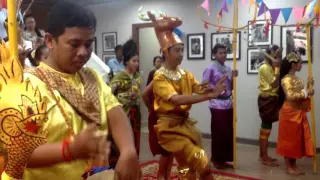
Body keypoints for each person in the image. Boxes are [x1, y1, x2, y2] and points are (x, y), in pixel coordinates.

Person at [18, 1, 139, 179]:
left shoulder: (92, 77)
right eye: (74, 44)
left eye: (88, 44)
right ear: (50, 41)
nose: (83, 52)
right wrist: (69, 150)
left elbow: (115, 111)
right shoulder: (27, 84)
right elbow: (17, 152)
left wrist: (128, 150)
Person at [141, 11, 226, 179]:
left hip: (185, 125)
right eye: (177, 50)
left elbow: (197, 88)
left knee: (185, 167)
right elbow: (177, 99)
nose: (181, 54)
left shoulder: (184, 73)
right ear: (165, 52)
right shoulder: (160, 76)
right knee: (202, 163)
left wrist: (209, 89)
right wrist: (209, 96)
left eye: (182, 50)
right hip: (169, 128)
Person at [276, 52, 314, 176]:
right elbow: (291, 96)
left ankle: (294, 164)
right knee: (289, 140)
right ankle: (288, 166)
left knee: (297, 140)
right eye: (300, 63)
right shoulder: (286, 79)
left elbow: (303, 95)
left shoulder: (298, 79)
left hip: (297, 111)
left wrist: (309, 87)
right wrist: (306, 92)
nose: (301, 65)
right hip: (289, 112)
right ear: (293, 64)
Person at [202, 43, 238, 169]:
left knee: (228, 132)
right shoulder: (210, 68)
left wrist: (233, 78)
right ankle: (216, 159)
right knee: (219, 133)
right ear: (214, 54)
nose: (223, 55)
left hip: (228, 103)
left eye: (224, 52)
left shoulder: (228, 68)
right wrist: (215, 88)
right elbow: (204, 87)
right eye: (220, 53)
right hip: (217, 104)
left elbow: (231, 88)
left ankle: (224, 159)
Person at [109, 39, 142, 157]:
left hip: (135, 112)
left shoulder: (137, 76)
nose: (136, 63)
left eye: (138, 61)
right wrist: (125, 97)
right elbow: (109, 94)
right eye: (134, 61)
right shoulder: (119, 76)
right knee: (123, 140)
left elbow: (138, 92)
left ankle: (134, 159)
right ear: (127, 61)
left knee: (135, 137)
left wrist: (136, 96)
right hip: (123, 112)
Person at [143, 56, 173, 180]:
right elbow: (145, 94)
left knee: (172, 149)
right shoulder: (158, 75)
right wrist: (151, 108)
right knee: (165, 149)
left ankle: (167, 175)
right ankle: (160, 175)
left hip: (173, 116)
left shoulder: (176, 74)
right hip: (160, 115)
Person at [257, 44, 282, 166]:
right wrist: (277, 68)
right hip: (267, 99)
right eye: (276, 54)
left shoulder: (269, 66)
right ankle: (264, 156)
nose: (278, 57)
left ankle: (263, 155)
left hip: (271, 99)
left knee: (267, 128)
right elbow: (274, 84)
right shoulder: (265, 67)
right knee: (265, 128)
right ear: (270, 54)